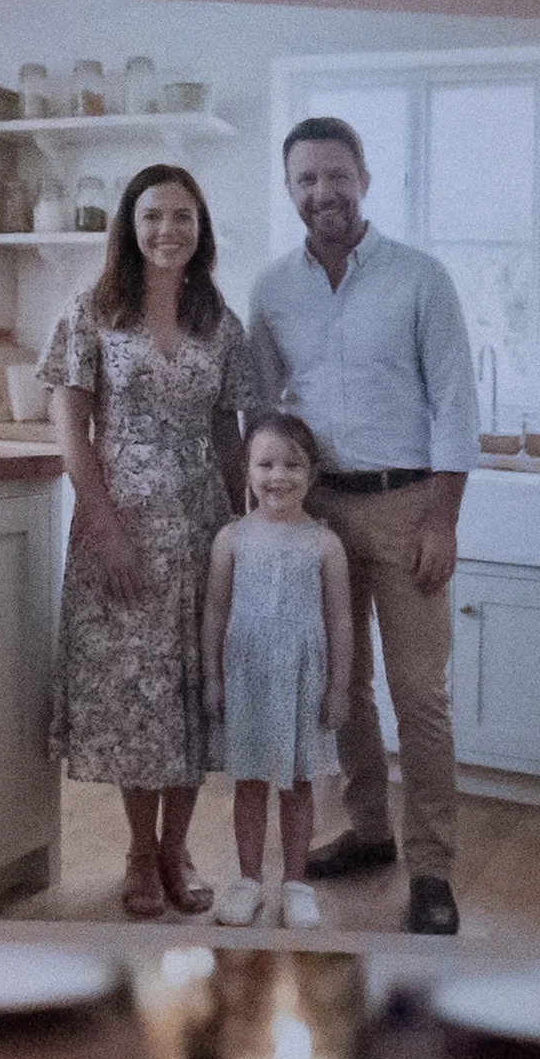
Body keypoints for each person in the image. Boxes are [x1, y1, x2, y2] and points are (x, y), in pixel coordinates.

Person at [238, 117, 479, 933]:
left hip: (409, 504)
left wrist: (443, 516)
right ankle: (372, 833)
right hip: (318, 512)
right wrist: (269, 515)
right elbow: (267, 413)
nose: (322, 193)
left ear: (365, 177)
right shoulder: (270, 290)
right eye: (305, 180)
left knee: (421, 695)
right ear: (290, 189)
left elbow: (456, 403)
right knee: (343, 688)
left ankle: (433, 868)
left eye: (335, 176)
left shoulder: (419, 278)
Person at [41, 161, 265, 920]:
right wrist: (103, 525)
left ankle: (180, 848)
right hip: (123, 525)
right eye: (153, 217)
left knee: (191, 690)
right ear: (129, 230)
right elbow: (71, 425)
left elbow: (229, 435)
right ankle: (140, 851)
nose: (168, 229)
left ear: (200, 231)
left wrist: (250, 529)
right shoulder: (90, 313)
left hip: (204, 529)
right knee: (136, 695)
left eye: (183, 217)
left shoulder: (219, 321)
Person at [197, 411, 351, 926]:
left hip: (303, 682)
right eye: (265, 464)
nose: (278, 476)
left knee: (298, 784)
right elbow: (216, 611)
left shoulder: (325, 544)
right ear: (246, 470)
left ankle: (296, 882)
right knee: (250, 783)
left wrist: (339, 686)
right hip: (249, 679)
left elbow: (341, 619)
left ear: (312, 473)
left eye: (292, 465)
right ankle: (247, 880)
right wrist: (213, 677)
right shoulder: (231, 539)